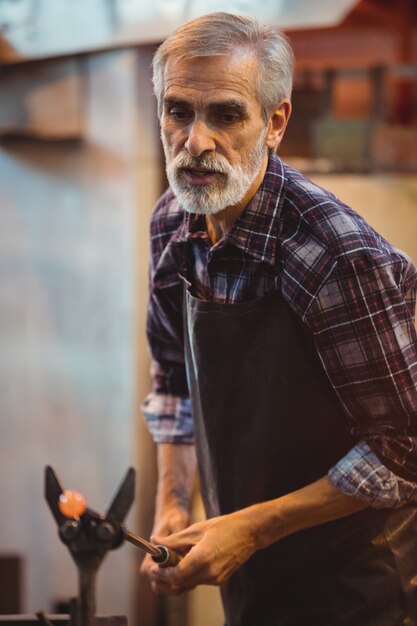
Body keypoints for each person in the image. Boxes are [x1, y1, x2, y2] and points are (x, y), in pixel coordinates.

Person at [140, 12, 417, 626]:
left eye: (226, 115)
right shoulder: (172, 222)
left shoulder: (337, 256)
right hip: (253, 580)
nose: (196, 143)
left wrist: (254, 526)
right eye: (178, 111)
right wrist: (172, 509)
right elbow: (173, 384)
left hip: (356, 590)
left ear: (275, 123)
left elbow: (406, 448)